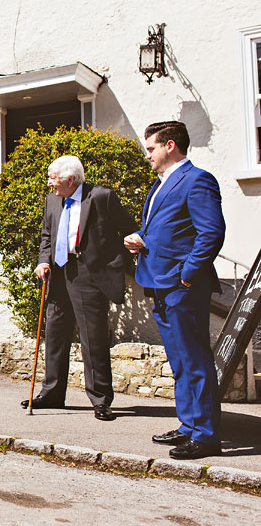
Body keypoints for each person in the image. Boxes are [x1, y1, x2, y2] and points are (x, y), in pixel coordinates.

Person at [124, 121, 225, 460]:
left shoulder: (198, 180)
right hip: (159, 283)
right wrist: (142, 238)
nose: (147, 155)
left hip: (183, 286)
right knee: (180, 361)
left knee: (195, 359)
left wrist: (188, 274)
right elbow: (167, 228)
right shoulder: (160, 185)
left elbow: (210, 232)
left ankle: (207, 436)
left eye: (150, 148)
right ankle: (189, 425)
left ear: (170, 146)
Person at [23, 156, 138, 421]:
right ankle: (52, 393)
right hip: (59, 273)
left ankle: (100, 399)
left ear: (71, 180)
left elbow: (129, 230)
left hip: (88, 273)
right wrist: (43, 261)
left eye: (54, 178)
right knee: (55, 334)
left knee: (92, 337)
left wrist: (114, 260)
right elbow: (46, 235)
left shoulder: (101, 197)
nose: (49, 183)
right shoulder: (53, 200)